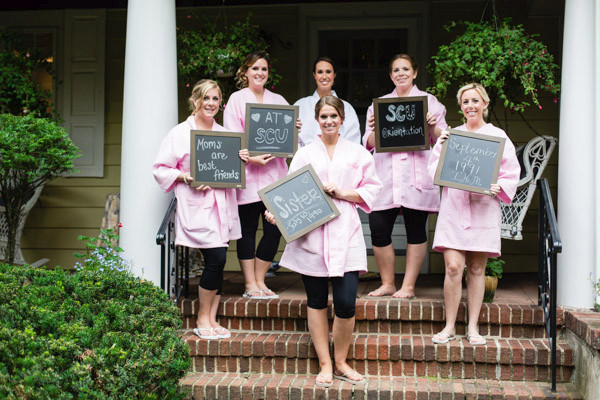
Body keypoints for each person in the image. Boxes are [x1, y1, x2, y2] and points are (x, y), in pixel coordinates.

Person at [266, 96, 382, 386]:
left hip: (346, 230)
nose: (329, 121)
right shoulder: (305, 154)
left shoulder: (358, 153)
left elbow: (372, 189)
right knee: (316, 301)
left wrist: (342, 192)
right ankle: (325, 364)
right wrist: (276, 214)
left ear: (342, 118)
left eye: (333, 116)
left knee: (345, 303)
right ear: (317, 120)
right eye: (323, 117)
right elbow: (289, 192)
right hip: (312, 234)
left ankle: (341, 361)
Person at [153, 79, 249, 339]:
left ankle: (212, 319)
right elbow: (160, 168)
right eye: (206, 98)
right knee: (216, 260)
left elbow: (233, 172)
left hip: (222, 206)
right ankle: (201, 318)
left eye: (215, 99)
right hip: (197, 205)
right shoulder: (180, 133)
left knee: (217, 262)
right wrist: (186, 177)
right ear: (195, 100)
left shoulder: (225, 133)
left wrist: (241, 160)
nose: (211, 104)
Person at [428, 83, 520, 346]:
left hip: (483, 209)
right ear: (461, 106)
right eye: (466, 101)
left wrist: (498, 186)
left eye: (475, 101)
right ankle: (448, 327)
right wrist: (442, 148)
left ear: (485, 104)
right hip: (455, 209)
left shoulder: (497, 137)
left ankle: (473, 327)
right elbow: (433, 171)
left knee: (477, 269)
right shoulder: (452, 136)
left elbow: (510, 172)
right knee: (454, 267)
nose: (470, 106)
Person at [364, 54, 448, 299]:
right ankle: (388, 283)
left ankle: (408, 286)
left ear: (414, 72)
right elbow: (368, 143)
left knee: (416, 230)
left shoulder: (430, 103)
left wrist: (432, 125)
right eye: (396, 70)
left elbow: (440, 140)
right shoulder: (379, 105)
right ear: (391, 75)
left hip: (416, 175)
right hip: (386, 176)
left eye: (405, 69)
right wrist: (376, 128)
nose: (401, 73)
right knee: (379, 228)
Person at [223, 51, 300, 300]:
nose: (259, 73)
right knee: (247, 230)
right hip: (246, 176)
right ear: (245, 72)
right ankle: (249, 284)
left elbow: (287, 142)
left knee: (274, 229)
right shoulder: (236, 99)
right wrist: (250, 157)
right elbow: (232, 139)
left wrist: (294, 128)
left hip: (274, 177)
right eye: (255, 68)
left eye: (264, 69)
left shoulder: (278, 100)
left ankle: (260, 280)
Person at [294, 56, 361, 146]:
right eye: (320, 72)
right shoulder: (301, 105)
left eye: (328, 72)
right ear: (314, 75)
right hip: (307, 159)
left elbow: (353, 141)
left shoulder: (347, 108)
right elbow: (293, 139)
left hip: (340, 158)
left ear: (334, 75)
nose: (324, 76)